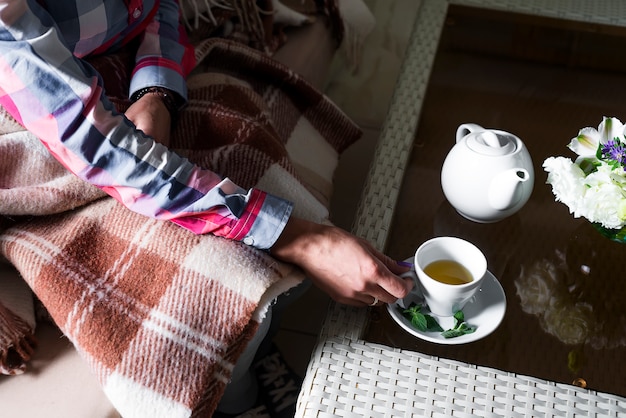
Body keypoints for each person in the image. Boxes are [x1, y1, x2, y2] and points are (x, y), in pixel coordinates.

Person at [0, 0, 412, 413]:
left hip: (116, 94)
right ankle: (236, 401)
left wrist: (156, 92)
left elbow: (158, 6)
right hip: (39, 134)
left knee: (257, 161)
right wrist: (301, 239)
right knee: (222, 280)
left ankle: (255, 361)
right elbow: (96, 146)